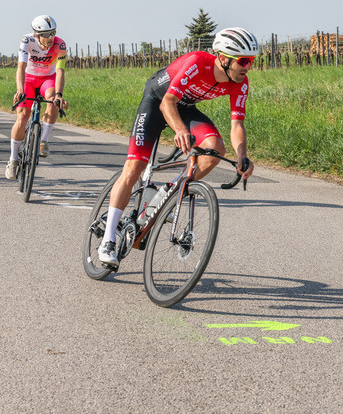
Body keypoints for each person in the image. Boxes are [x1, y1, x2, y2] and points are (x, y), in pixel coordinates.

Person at [96, 27, 260, 269]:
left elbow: (237, 124)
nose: (247, 67)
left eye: (252, 61)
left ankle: (170, 192)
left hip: (185, 106)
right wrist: (181, 131)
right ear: (223, 58)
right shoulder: (197, 62)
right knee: (134, 168)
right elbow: (167, 102)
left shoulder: (240, 82)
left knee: (215, 149)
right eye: (243, 61)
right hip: (158, 100)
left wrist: (242, 156)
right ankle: (108, 239)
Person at [5, 15, 68, 180]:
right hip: (29, 80)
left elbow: (60, 71)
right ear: (36, 35)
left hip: (48, 79)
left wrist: (60, 95)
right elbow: (21, 67)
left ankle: (44, 140)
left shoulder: (60, 44)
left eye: (53, 33)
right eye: (46, 34)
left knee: (53, 100)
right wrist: (20, 90)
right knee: (23, 117)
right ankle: (13, 160)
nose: (51, 38)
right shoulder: (27, 41)